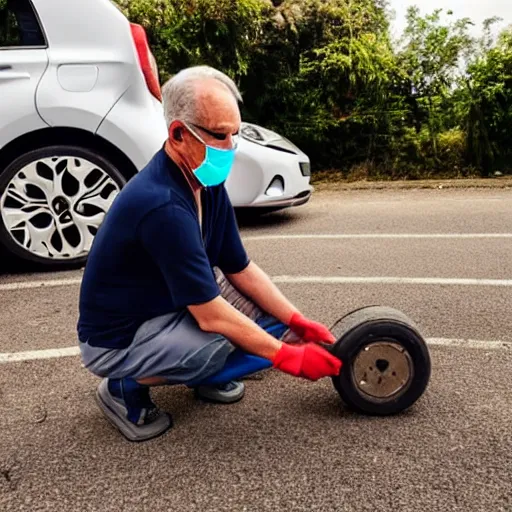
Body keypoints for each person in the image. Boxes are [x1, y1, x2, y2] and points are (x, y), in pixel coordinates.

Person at [77, 65, 342, 442]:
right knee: (220, 343)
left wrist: (296, 320)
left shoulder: (206, 181)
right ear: (179, 134)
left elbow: (241, 268)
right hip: (118, 339)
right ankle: (123, 385)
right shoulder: (161, 205)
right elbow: (214, 316)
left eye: (235, 134)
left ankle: (201, 375)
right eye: (219, 135)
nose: (230, 147)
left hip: (164, 304)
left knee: (258, 321)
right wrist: (287, 357)